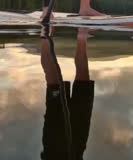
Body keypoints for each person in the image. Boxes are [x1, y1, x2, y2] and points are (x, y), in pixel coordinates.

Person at [40, 26, 95, 159]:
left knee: (53, 79)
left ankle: (45, 30)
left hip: (54, 151)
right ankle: (82, 33)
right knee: (83, 80)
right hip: (76, 151)